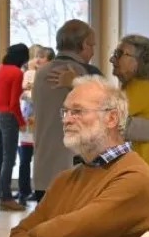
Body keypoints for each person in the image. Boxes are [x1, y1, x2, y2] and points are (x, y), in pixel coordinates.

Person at [7, 76, 149, 237]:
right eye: (65, 112)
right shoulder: (66, 178)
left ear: (111, 118)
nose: (66, 120)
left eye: (77, 111)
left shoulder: (134, 178)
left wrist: (36, 235)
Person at [32, 20, 101, 202]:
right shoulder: (88, 73)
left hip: (43, 170)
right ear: (84, 44)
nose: (93, 52)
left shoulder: (40, 73)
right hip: (76, 172)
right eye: (92, 45)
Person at [110, 35, 149, 176]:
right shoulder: (131, 87)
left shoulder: (143, 87)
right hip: (140, 170)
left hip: (141, 172)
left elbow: (105, 117)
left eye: (119, 54)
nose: (112, 59)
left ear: (138, 61)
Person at [0, 43, 29, 211]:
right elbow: (14, 103)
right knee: (9, 159)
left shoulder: (0, 69)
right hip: (8, 117)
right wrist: (21, 122)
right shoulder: (17, 73)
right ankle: (6, 198)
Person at [17, 46, 54, 205]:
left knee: (42, 161)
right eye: (37, 56)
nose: (38, 59)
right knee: (25, 160)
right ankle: (23, 192)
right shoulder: (28, 74)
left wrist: (33, 92)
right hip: (27, 123)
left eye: (42, 57)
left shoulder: (51, 76)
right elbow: (23, 94)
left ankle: (42, 191)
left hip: (44, 124)